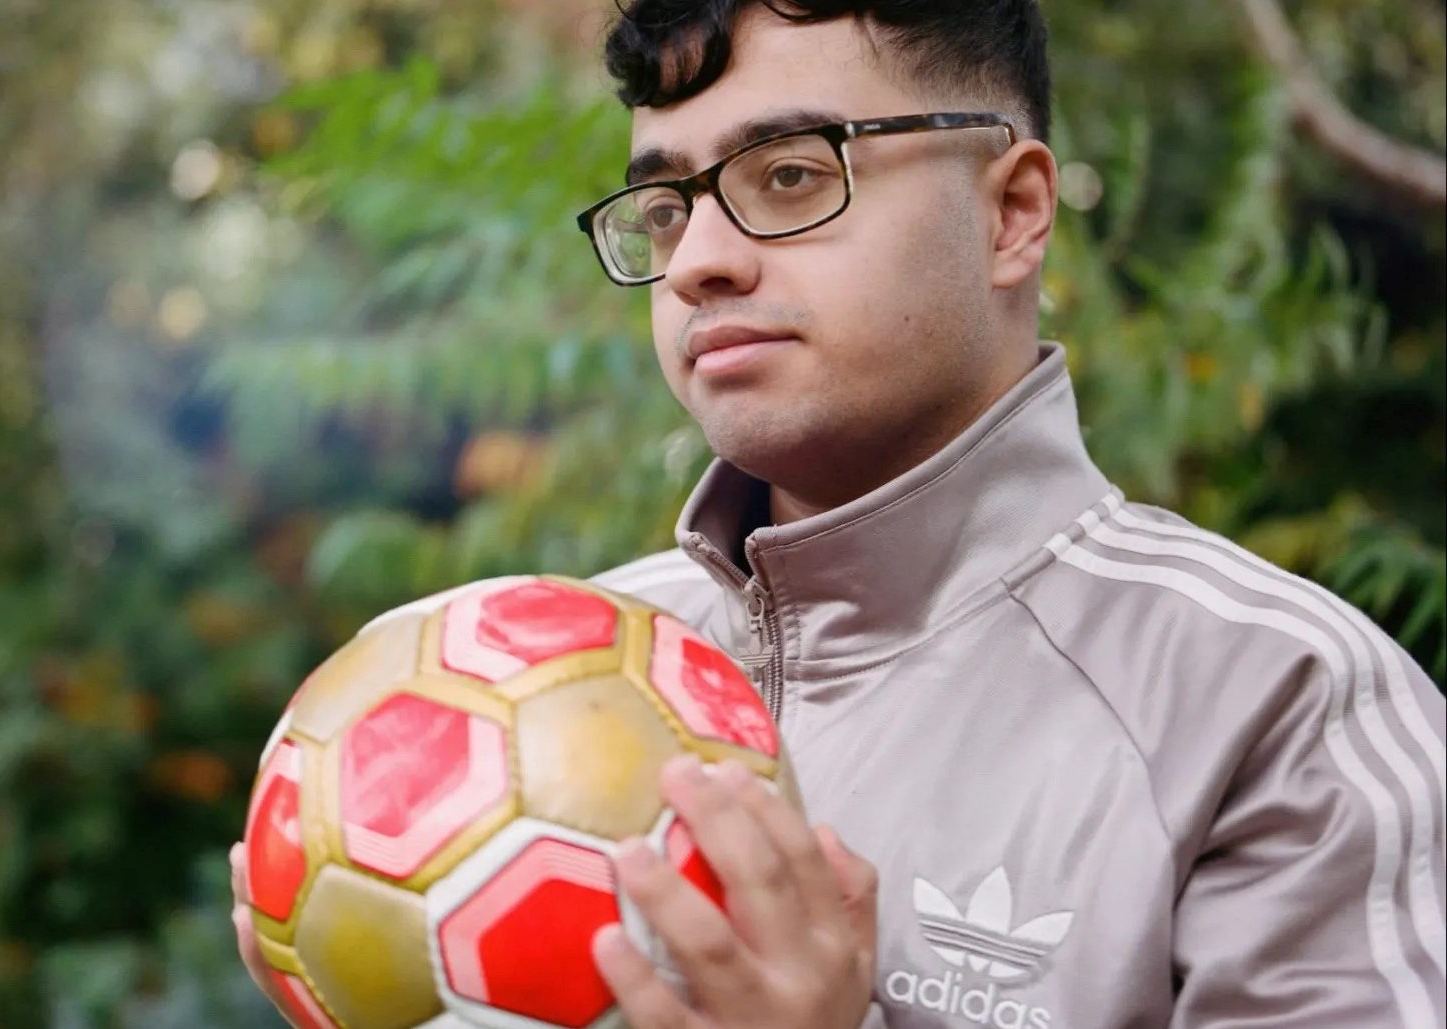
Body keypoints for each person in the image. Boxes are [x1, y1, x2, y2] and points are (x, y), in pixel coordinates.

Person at [234, 1, 1447, 1026]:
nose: (700, 258)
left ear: (1013, 212)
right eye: (666, 208)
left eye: (792, 176)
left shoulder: (1282, 702)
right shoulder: (539, 667)